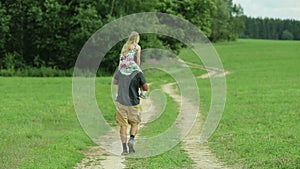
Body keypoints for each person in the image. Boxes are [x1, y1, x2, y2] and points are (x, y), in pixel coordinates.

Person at [113, 70, 149, 155]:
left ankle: (124, 149)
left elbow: (115, 82)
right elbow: (146, 88)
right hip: (133, 103)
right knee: (134, 123)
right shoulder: (138, 73)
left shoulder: (120, 72)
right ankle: (131, 139)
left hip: (121, 102)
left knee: (123, 125)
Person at [118, 31, 147, 99]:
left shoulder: (125, 45)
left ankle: (118, 93)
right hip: (130, 63)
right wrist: (138, 68)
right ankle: (142, 92)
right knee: (141, 75)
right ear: (137, 38)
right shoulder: (137, 47)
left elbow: (122, 56)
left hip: (122, 64)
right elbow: (138, 59)